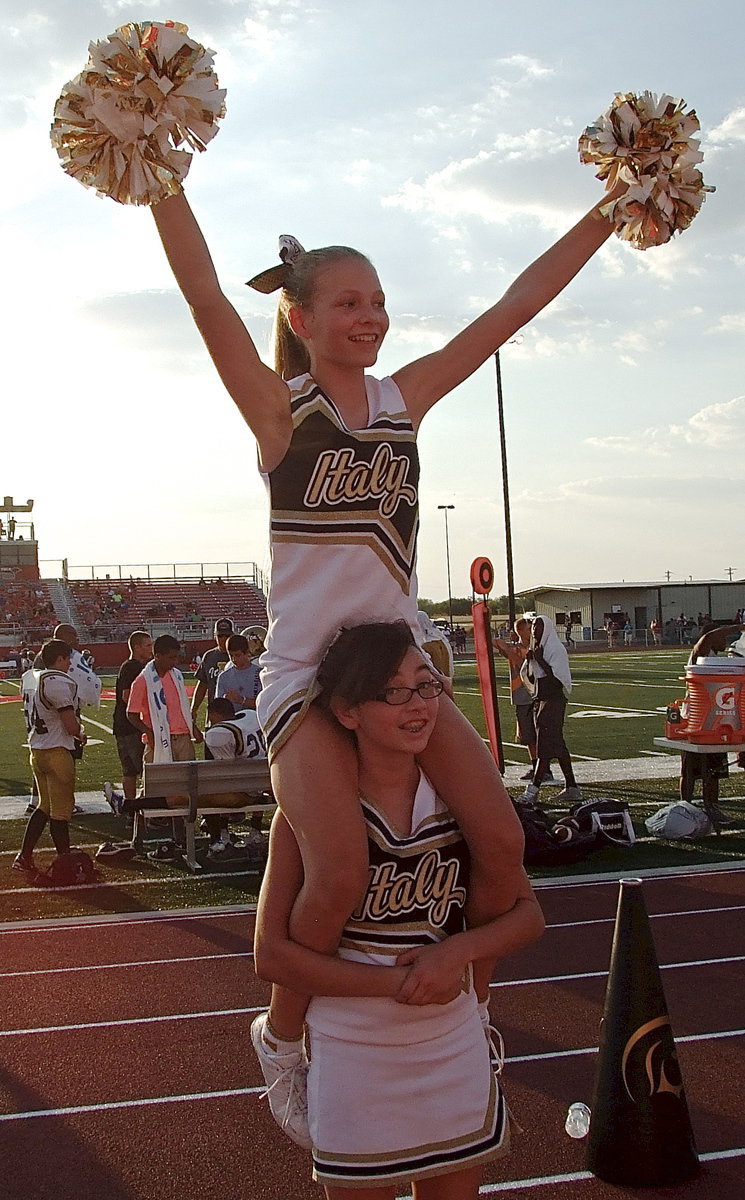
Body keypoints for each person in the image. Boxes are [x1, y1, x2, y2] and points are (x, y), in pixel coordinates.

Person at [150, 167, 626, 1133]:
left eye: (377, 301)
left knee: (500, 841)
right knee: (337, 872)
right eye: (347, 303)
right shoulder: (281, 411)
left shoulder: (404, 398)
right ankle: (283, 1038)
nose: (370, 317)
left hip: (397, 667)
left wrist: (612, 207)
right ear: (302, 318)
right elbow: (203, 299)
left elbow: (514, 307)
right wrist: (157, 173)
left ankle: (473, 1013)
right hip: (307, 676)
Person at [253, 622, 544, 1193]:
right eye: (393, 691)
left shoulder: (460, 802)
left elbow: (529, 915)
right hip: (353, 1053)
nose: (418, 704)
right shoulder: (308, 817)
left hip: (453, 1041)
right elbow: (272, 958)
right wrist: (398, 984)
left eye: (426, 684)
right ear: (347, 711)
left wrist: (456, 953)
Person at [13, 639, 85, 875]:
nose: (70, 664)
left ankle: (24, 856)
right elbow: (70, 726)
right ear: (60, 658)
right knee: (61, 812)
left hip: (37, 752)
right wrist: (80, 732)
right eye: (68, 659)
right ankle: (65, 862)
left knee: (44, 806)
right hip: (57, 753)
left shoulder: (30, 678)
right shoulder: (56, 681)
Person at [126, 635, 201, 796]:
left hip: (183, 738)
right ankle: (142, 811)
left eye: (176, 657)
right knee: (154, 787)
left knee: (188, 786)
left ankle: (182, 813)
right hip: (158, 739)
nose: (175, 661)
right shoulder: (143, 680)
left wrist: (193, 727)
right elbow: (131, 714)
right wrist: (148, 732)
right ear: (158, 656)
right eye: (171, 658)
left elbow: (181, 707)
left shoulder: (176, 675)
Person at [519, 615, 582, 806]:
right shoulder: (537, 649)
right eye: (533, 626)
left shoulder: (555, 648)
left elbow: (557, 680)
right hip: (541, 700)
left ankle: (533, 790)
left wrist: (539, 660)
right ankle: (572, 787)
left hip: (553, 702)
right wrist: (531, 661)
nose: (534, 630)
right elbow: (531, 677)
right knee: (557, 745)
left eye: (538, 626)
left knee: (544, 747)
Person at [202, 695, 268, 853]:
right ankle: (256, 829)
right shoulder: (251, 716)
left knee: (214, 787)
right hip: (265, 784)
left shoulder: (220, 733)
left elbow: (224, 773)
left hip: (242, 790)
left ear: (216, 714)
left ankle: (221, 834)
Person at [494, 618, 554, 785]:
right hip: (521, 696)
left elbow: (524, 663)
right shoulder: (515, 648)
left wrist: (507, 649)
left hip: (537, 695)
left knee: (540, 734)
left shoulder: (537, 648)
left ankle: (545, 769)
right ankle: (536, 767)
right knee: (527, 735)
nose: (531, 632)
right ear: (520, 631)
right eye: (528, 629)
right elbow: (494, 642)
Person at [105, 630, 154, 812]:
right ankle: (140, 808)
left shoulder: (130, 666)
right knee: (144, 770)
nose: (151, 649)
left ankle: (131, 809)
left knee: (129, 771)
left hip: (123, 725)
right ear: (137, 647)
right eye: (147, 645)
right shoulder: (133, 667)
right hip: (132, 726)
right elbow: (127, 696)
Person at [190, 618, 233, 732]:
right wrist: (194, 708)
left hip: (235, 710)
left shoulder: (238, 656)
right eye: (220, 636)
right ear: (215, 636)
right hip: (214, 712)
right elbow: (202, 684)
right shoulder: (209, 656)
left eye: (227, 636)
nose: (223, 639)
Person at [215, 633, 262, 709]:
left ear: (246, 653)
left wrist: (241, 700)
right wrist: (224, 701)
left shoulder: (260, 674)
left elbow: (263, 704)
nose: (234, 659)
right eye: (231, 655)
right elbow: (219, 707)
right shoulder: (223, 677)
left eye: (237, 655)